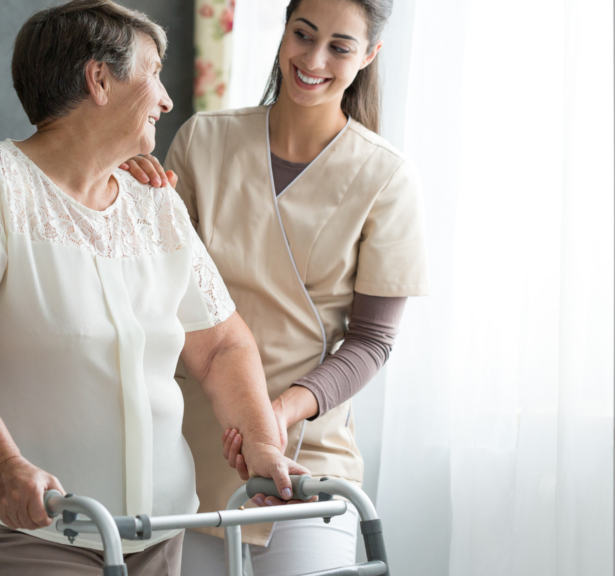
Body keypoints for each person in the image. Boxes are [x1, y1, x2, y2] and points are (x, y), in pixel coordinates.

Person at [0, 2, 305, 575]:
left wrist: (261, 440)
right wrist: (3, 466)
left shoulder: (154, 202)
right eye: (152, 72)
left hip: (160, 526)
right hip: (39, 522)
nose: (166, 98)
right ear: (100, 80)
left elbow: (222, 345)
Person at [122, 0, 429, 573]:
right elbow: (153, 289)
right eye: (302, 35)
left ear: (369, 56)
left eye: (339, 46)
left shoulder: (388, 178)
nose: (313, 59)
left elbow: (371, 343)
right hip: (194, 448)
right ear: (284, 32)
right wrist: (132, 196)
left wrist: (278, 412)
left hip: (310, 454)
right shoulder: (202, 142)